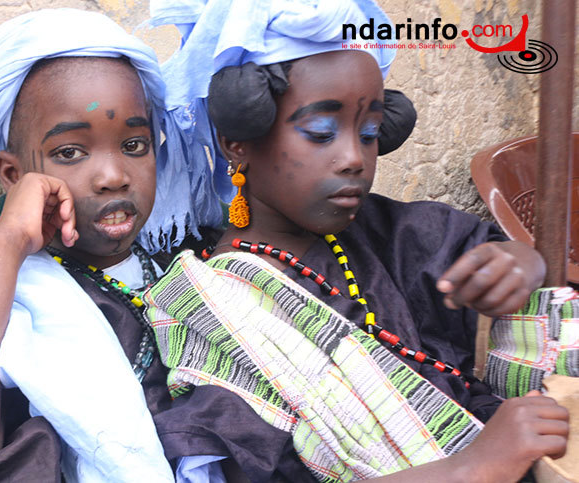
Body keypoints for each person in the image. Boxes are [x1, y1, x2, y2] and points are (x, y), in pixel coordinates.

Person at [142, 0, 570, 481]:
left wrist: (521, 263)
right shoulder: (211, 315)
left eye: (368, 133)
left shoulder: (387, 231)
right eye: (321, 132)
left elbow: (494, 255)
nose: (354, 158)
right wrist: (471, 467)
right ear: (235, 141)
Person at [0, 8, 222, 482]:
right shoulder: (4, 296)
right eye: (70, 153)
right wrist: (6, 245)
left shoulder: (194, 271)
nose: (113, 176)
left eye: (134, 145)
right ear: (14, 175)